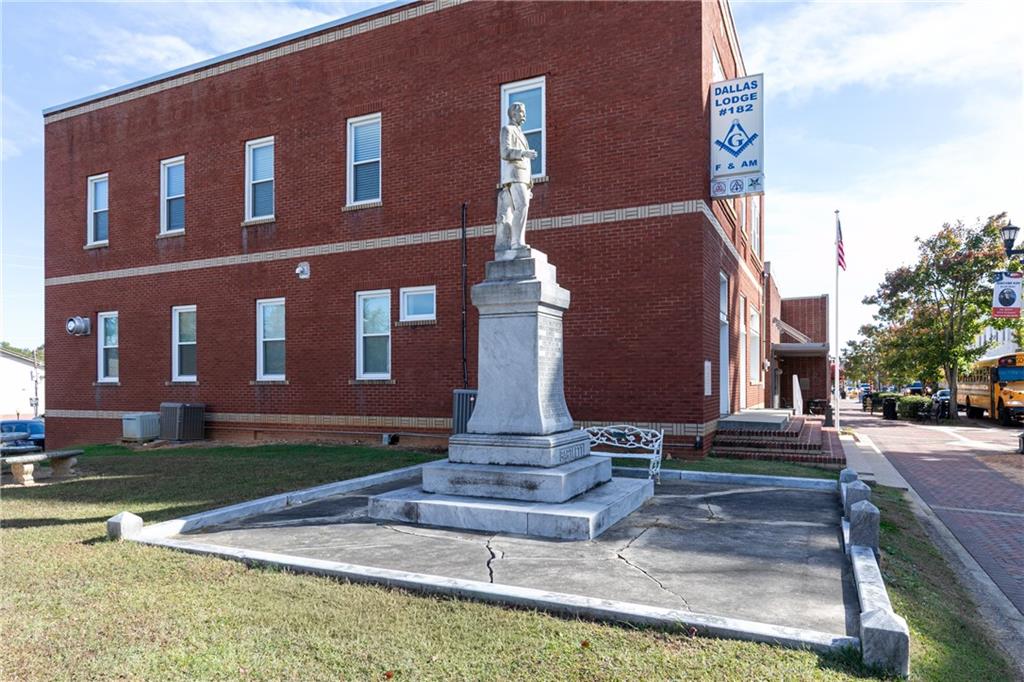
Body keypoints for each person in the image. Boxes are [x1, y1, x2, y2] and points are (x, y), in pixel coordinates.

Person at [495, 102, 538, 259]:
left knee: (522, 207)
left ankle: (518, 241)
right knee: (521, 206)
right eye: (521, 112)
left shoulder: (521, 134)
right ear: (513, 114)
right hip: (514, 175)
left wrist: (529, 183)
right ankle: (516, 242)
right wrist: (523, 153)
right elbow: (504, 152)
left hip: (523, 178)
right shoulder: (507, 130)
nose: (524, 115)